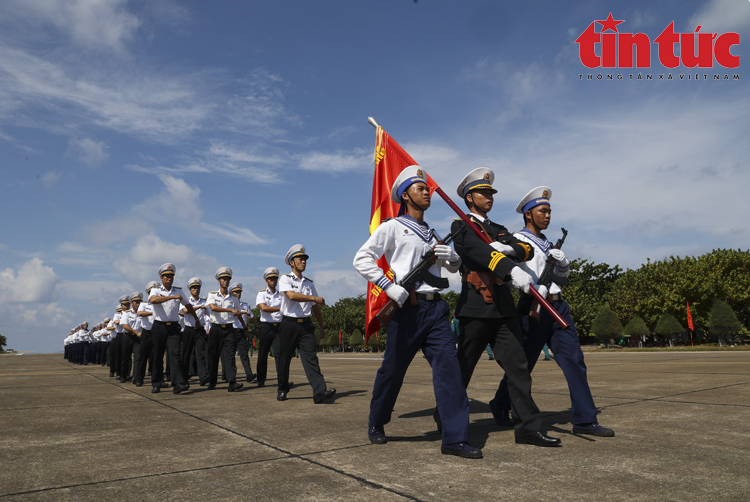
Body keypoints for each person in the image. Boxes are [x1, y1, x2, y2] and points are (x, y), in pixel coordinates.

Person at [353, 165, 481, 459]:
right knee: (393, 370)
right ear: (406, 196)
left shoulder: (432, 233)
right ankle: (377, 420)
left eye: (427, 188)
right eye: (420, 188)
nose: (427, 192)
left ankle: (454, 438)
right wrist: (388, 285)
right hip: (406, 308)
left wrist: (453, 260)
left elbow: (447, 270)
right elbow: (362, 259)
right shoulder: (393, 226)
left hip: (435, 308)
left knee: (449, 371)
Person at [448, 168, 561, 447]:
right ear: (469, 198)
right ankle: (447, 417)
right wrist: (510, 267)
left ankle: (527, 428)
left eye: (491, 193)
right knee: (462, 369)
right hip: (475, 305)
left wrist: (510, 249)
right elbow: (478, 252)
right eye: (483, 193)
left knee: (518, 368)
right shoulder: (460, 226)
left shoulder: (497, 228)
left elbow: (527, 249)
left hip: (503, 307)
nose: (489, 197)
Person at [496, 186, 615, 437]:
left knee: (574, 361)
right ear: (528, 214)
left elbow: (562, 279)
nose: (548, 216)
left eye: (550, 211)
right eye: (543, 211)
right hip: (532, 307)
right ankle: (500, 403)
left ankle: (584, 419)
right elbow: (505, 273)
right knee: (523, 365)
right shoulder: (517, 240)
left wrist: (562, 263)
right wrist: (523, 285)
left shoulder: (549, 243)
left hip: (558, 306)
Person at [276, 245, 336, 404]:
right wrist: (313, 299)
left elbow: (316, 308)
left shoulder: (309, 283)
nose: (303, 261)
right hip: (289, 324)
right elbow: (291, 296)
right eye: (300, 259)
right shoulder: (285, 279)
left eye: (305, 259)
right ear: (291, 262)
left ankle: (319, 392)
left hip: (306, 326)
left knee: (311, 359)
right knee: (284, 359)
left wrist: (321, 327)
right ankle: (282, 388)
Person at [148, 263, 202, 395]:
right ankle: (156, 383)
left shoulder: (178, 291)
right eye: (166, 276)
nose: (169, 278)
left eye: (171, 276)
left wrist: (196, 319)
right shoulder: (156, 290)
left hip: (173, 327)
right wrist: (171, 297)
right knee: (157, 355)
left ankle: (178, 383)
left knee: (175, 354)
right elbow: (153, 300)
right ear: (161, 278)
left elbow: (188, 305)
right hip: (159, 326)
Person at [206, 267, 245, 392]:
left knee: (229, 356)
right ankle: (212, 382)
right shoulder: (212, 295)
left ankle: (232, 382)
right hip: (216, 328)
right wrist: (229, 310)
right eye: (223, 279)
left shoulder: (233, 298)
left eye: (228, 279)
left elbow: (238, 313)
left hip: (229, 329)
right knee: (213, 356)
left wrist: (245, 327)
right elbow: (213, 308)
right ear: (219, 280)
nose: (226, 281)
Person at [255, 267, 282, 388]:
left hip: (279, 327)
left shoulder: (281, 294)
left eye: (275, 279)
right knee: (263, 354)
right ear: (266, 281)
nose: (273, 281)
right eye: (271, 279)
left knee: (279, 354)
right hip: (266, 326)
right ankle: (261, 379)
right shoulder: (261, 293)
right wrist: (280, 309)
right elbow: (263, 308)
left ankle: (282, 380)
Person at [181, 277, 209, 386]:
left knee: (200, 353)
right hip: (188, 329)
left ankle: (203, 377)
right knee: (186, 354)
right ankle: (184, 376)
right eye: (193, 288)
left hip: (200, 330)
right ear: (190, 290)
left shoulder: (204, 302)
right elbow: (185, 310)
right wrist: (199, 307)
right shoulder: (186, 301)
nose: (196, 290)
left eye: (197, 288)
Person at [229, 282, 258, 383]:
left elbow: (252, 317)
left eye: (239, 292)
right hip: (231, 332)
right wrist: (244, 313)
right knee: (230, 355)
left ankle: (249, 374)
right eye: (235, 292)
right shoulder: (229, 304)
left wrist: (256, 326)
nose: (238, 294)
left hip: (241, 332)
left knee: (244, 354)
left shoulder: (244, 305)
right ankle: (228, 376)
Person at [119, 292, 143, 384]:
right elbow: (125, 325)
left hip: (138, 339)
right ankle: (123, 376)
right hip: (128, 337)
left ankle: (137, 379)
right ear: (132, 303)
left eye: (139, 302)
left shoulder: (142, 313)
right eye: (136, 302)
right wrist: (136, 332)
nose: (138, 304)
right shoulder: (127, 313)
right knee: (125, 357)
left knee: (138, 358)